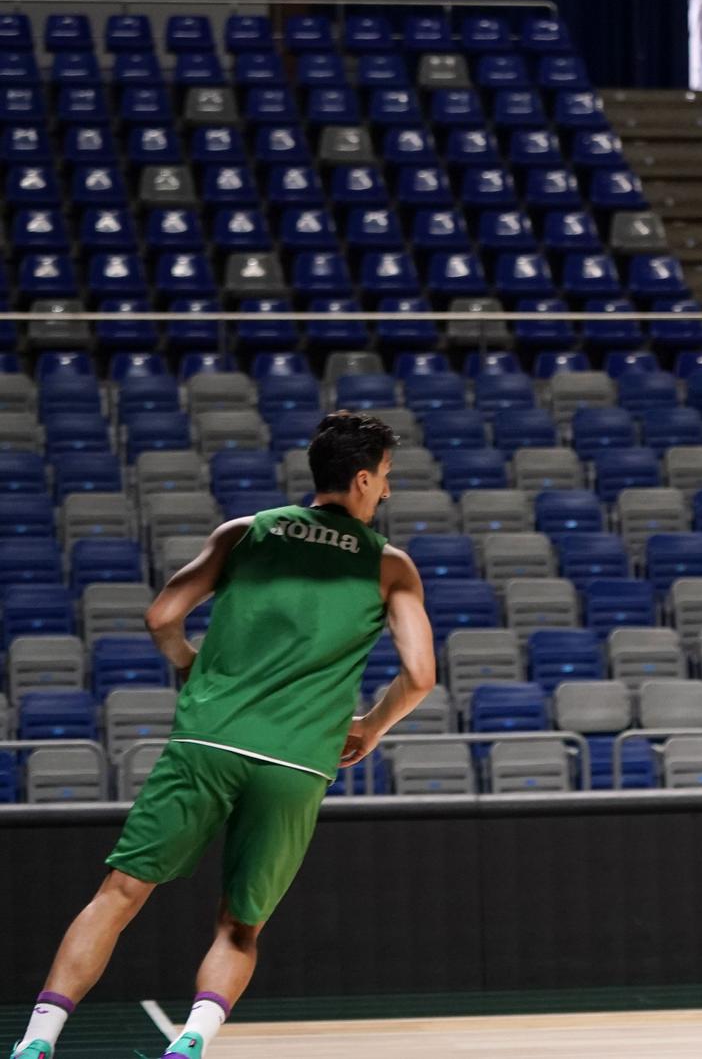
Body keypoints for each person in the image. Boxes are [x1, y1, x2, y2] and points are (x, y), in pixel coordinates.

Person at [9, 411, 436, 1059]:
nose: (387, 490)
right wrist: (372, 727)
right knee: (240, 928)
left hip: (208, 740)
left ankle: (37, 1041)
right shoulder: (389, 565)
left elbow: (162, 616)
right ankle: (190, 1042)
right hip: (295, 761)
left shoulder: (246, 533)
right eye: (384, 478)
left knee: (119, 895)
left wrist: (190, 666)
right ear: (358, 480)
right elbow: (421, 675)